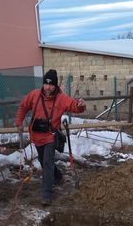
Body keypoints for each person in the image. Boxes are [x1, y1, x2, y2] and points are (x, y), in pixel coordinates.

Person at [15, 69, 86, 206]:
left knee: (47, 162)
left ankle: (46, 194)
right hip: (36, 136)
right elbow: (23, 106)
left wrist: (80, 106)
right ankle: (58, 176)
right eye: (46, 84)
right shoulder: (34, 95)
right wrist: (19, 121)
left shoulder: (61, 98)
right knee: (43, 161)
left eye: (51, 85)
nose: (48, 88)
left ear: (55, 86)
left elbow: (74, 106)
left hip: (50, 136)